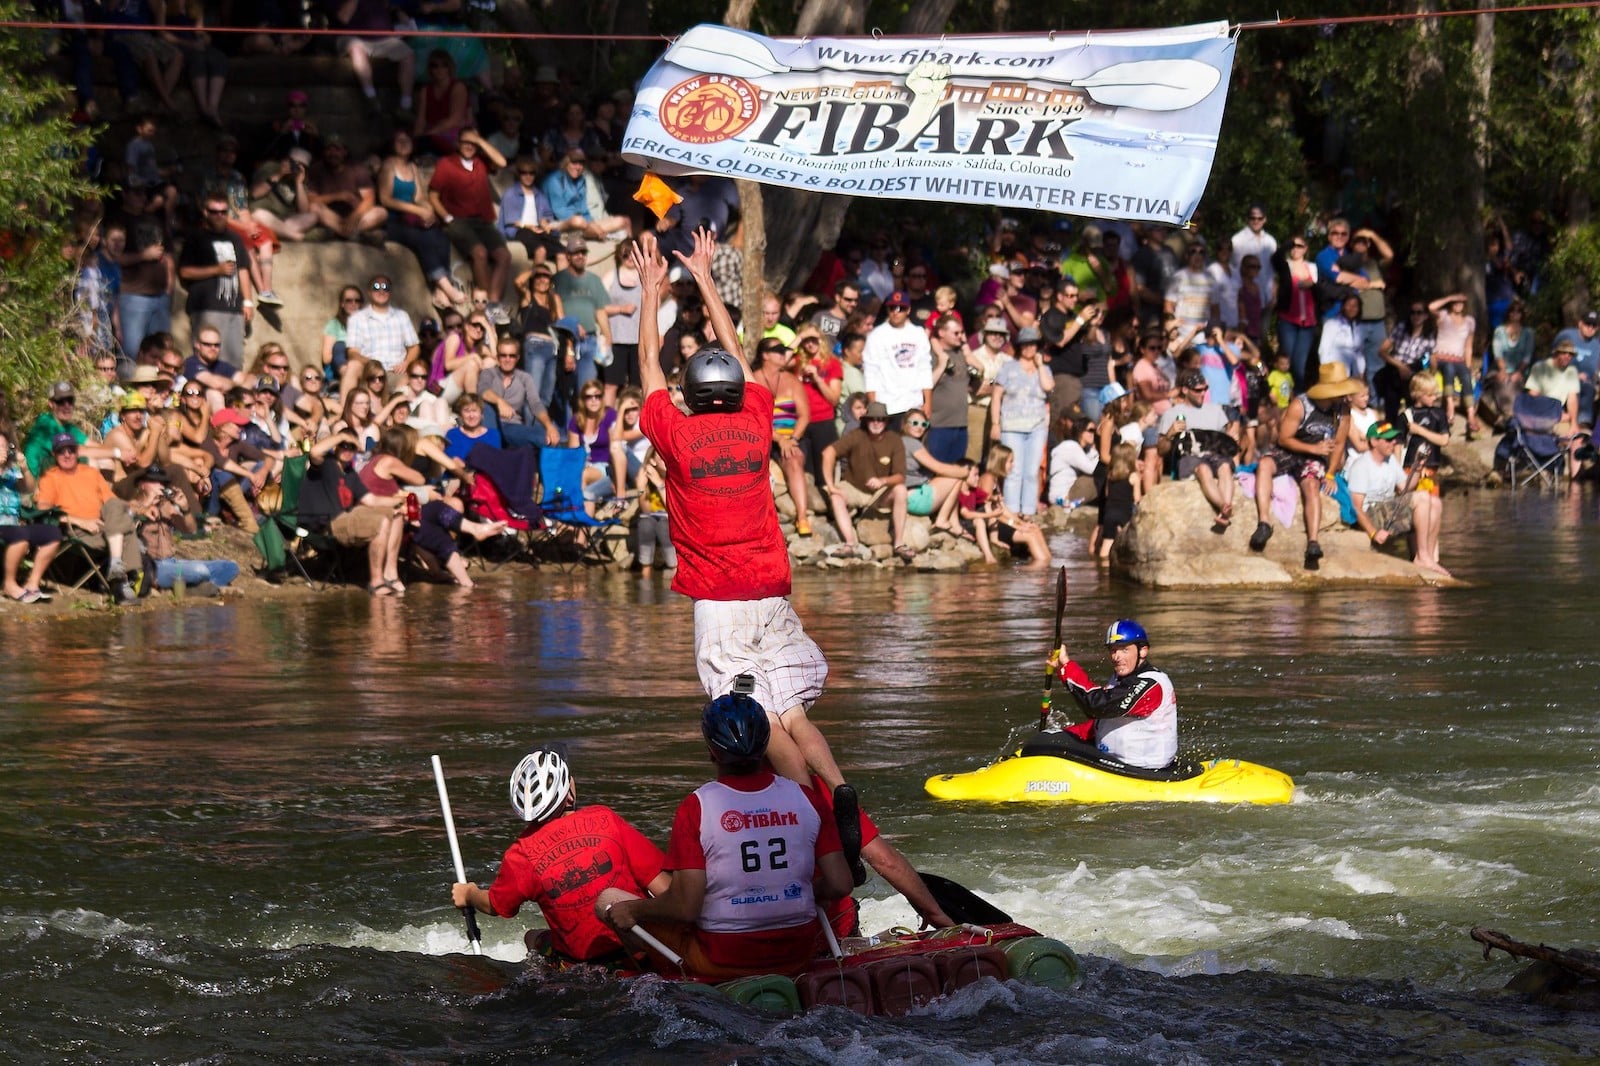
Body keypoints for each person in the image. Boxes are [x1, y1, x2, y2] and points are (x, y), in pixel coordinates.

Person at [631, 229, 863, 876]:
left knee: (759, 720)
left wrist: (652, 293)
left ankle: (812, 815)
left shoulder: (675, 434)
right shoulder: (758, 416)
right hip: (773, 591)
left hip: (721, 604)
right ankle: (837, 784)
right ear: (734, 390)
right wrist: (704, 277)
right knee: (790, 709)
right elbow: (739, 352)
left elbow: (649, 369)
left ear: (692, 395)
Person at [596, 691, 853, 980]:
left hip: (721, 959)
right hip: (797, 955)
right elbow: (841, 883)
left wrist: (634, 910)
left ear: (712, 751)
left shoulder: (697, 807)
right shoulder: (807, 798)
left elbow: (686, 907)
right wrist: (799, 893)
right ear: (766, 743)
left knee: (609, 900)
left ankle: (659, 974)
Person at [451, 748, 669, 965]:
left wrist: (469, 893)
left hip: (582, 966)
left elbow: (495, 906)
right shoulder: (605, 819)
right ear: (569, 795)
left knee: (531, 937)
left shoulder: (520, 855)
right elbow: (663, 887)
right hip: (643, 952)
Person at [1248, 362, 1360, 570]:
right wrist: (1314, 449)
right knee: (1264, 464)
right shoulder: (1300, 405)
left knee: (1311, 485)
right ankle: (1264, 523)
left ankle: (1313, 542)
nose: (1344, 395)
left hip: (1314, 459)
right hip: (1292, 450)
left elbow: (1339, 444)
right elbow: (1284, 439)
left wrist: (1329, 473)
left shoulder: (1342, 412)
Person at [1046, 619, 1178, 771]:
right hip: (1115, 760)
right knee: (1047, 739)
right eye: (1113, 650)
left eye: (1124, 650)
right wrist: (1065, 735)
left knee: (1049, 744)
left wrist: (1067, 665)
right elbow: (1106, 719)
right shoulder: (1122, 677)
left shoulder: (1151, 685)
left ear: (1143, 651)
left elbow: (1098, 706)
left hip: (1141, 769)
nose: (1116, 657)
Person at [35, 434, 143, 604]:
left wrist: (138, 505)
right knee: (127, 529)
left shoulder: (91, 473)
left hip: (103, 525)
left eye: (71, 450)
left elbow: (111, 500)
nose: (67, 455)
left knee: (115, 506)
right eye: (62, 451)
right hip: (76, 530)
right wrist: (79, 521)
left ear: (78, 453)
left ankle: (116, 565)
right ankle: (121, 585)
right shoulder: (50, 478)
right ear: (55, 455)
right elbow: (44, 510)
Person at [428, 128, 512, 324]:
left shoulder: (481, 162)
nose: (469, 146)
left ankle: (493, 303)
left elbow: (502, 162)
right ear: (458, 143)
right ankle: (485, 302)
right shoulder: (447, 164)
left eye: (472, 143)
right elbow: (433, 195)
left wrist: (480, 141)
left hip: (482, 220)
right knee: (480, 253)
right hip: (458, 220)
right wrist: (446, 217)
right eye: (465, 142)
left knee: (504, 256)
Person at [822, 401, 911, 562]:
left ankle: (899, 544)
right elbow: (828, 452)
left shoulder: (895, 440)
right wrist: (830, 485)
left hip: (880, 492)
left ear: (886, 422)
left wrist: (882, 481)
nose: (876, 422)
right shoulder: (857, 435)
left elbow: (900, 476)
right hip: (853, 487)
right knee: (836, 496)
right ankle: (850, 543)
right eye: (872, 419)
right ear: (866, 420)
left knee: (901, 490)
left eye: (880, 419)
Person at [1156, 369, 1240, 531]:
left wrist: (1233, 438)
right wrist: (1170, 434)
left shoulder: (1216, 410)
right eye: (1198, 390)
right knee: (1203, 469)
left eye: (1205, 389)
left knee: (1225, 467)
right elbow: (1161, 450)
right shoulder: (1172, 413)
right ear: (1185, 390)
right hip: (1190, 457)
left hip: (1215, 455)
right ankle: (1224, 506)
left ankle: (1225, 510)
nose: (1203, 394)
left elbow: (1228, 444)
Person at [178, 192, 254, 368]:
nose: (219, 215)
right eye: (214, 211)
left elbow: (243, 269)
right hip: (206, 307)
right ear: (205, 212)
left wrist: (248, 301)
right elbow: (185, 272)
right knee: (205, 361)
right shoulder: (195, 237)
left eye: (223, 211)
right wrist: (216, 269)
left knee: (234, 362)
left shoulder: (234, 237)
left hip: (234, 308)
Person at [0, 427, 62, 604]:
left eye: (5, 447)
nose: (2, 451)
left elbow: (28, 488)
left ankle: (32, 583)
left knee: (53, 534)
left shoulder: (11, 471)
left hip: (13, 523)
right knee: (20, 536)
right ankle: (9, 584)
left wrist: (25, 468)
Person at [862, 290, 933, 428]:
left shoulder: (918, 333)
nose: (896, 311)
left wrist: (928, 402)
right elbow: (871, 372)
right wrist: (873, 405)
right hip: (887, 405)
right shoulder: (877, 335)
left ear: (908, 310)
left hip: (914, 405)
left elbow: (925, 369)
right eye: (892, 307)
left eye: (901, 308)